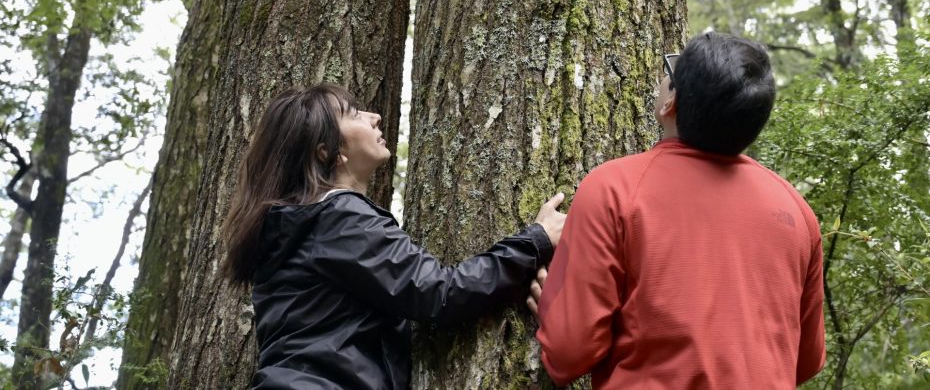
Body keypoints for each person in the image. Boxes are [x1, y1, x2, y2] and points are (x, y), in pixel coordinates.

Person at [528, 32, 826, 388]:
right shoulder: (796, 211)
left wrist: (556, 312)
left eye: (670, 70)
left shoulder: (614, 189)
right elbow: (805, 360)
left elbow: (568, 354)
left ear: (671, 101)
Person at [221, 84, 565, 389]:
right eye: (353, 114)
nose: (374, 117)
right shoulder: (338, 219)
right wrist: (536, 241)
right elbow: (440, 292)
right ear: (328, 152)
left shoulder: (302, 227)